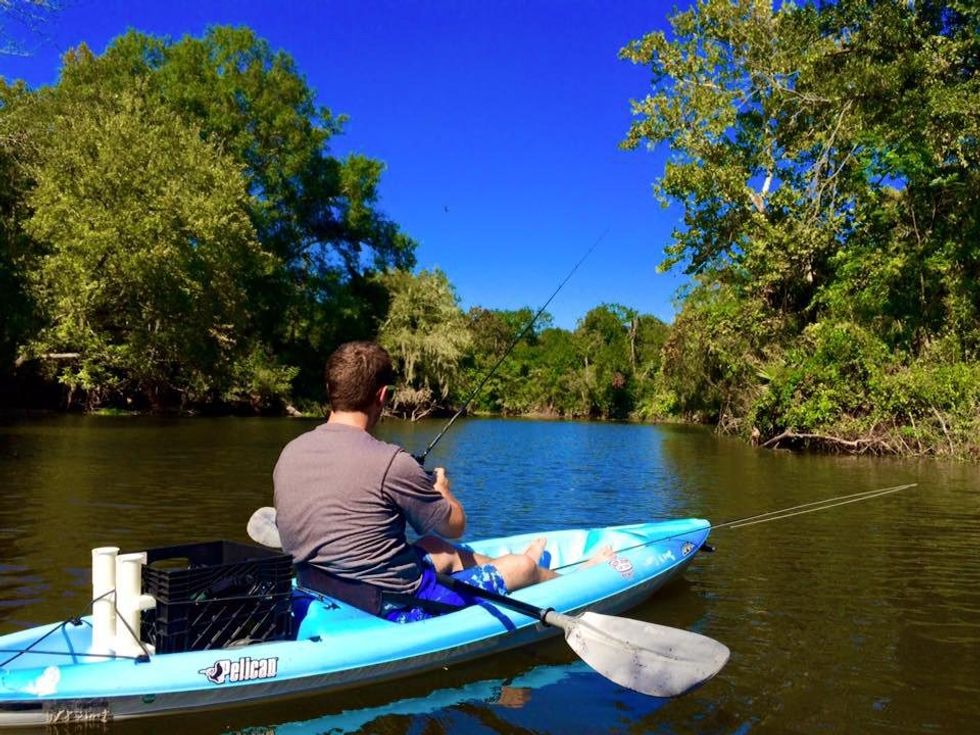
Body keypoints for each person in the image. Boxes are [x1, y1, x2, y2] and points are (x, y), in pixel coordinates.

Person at [273, 340, 578, 623]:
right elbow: (455, 526)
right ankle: (555, 577)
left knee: (435, 546)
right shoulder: (392, 462)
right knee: (519, 567)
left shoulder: (289, 452)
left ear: (330, 389)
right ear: (383, 396)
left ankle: (529, 568)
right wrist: (443, 491)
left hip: (321, 586)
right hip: (392, 605)